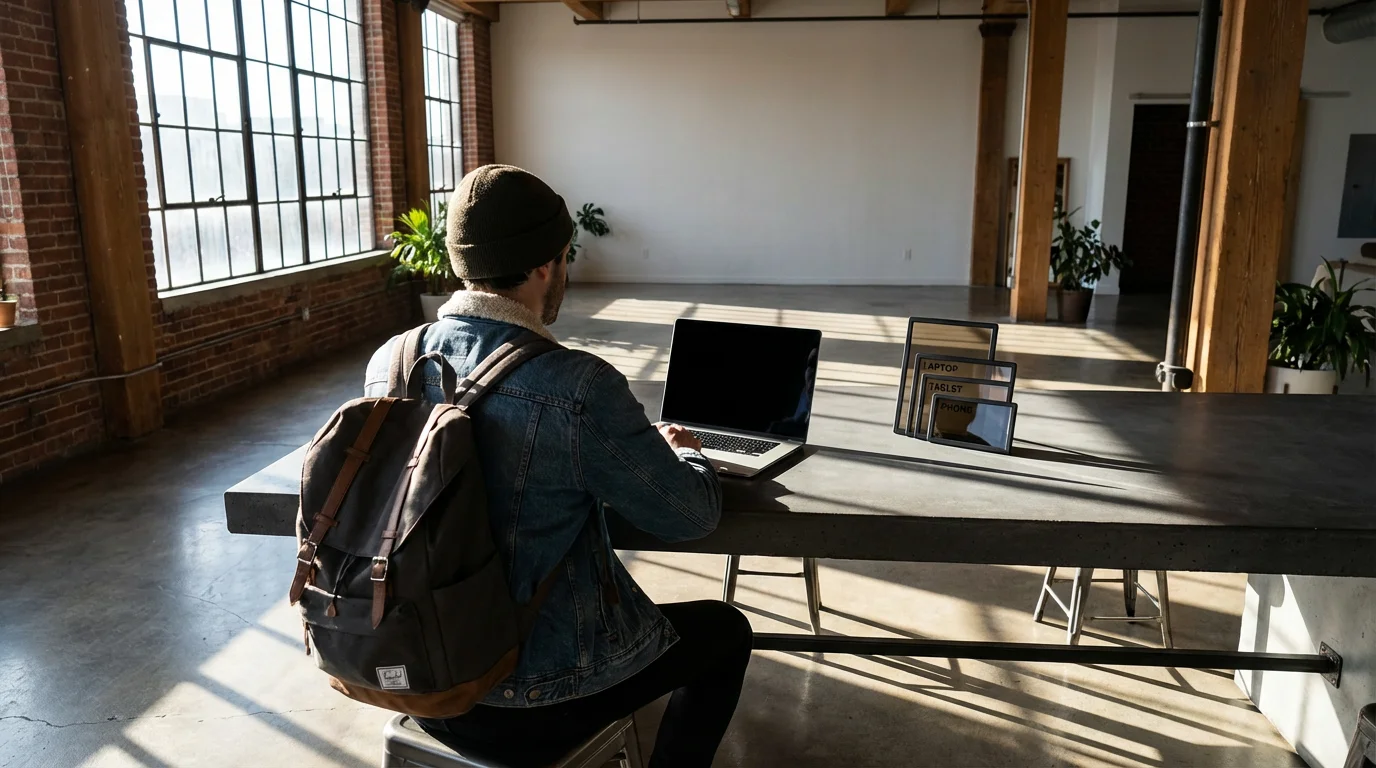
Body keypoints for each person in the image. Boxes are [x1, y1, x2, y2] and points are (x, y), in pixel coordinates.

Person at [364, 165, 753, 767]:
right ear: (546, 264)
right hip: (536, 700)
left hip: (415, 674)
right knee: (726, 634)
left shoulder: (391, 362)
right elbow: (691, 515)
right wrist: (683, 453)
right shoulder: (577, 387)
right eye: (564, 257)